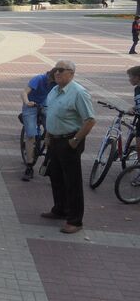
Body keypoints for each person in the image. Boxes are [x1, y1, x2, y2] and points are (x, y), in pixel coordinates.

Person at [42, 60, 95, 234]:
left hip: (69, 141)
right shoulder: (54, 90)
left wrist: (75, 141)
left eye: (61, 70)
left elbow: (90, 120)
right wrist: (48, 135)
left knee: (72, 182)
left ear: (71, 73)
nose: (56, 73)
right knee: (55, 176)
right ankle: (60, 209)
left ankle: (75, 220)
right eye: (55, 70)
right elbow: (51, 114)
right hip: (55, 140)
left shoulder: (79, 93)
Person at [20, 69, 56, 180]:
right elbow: (24, 92)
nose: (54, 83)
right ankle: (29, 166)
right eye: (52, 81)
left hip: (44, 104)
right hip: (31, 105)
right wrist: (27, 102)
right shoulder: (39, 79)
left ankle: (49, 162)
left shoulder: (57, 83)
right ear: (49, 76)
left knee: (53, 130)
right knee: (31, 135)